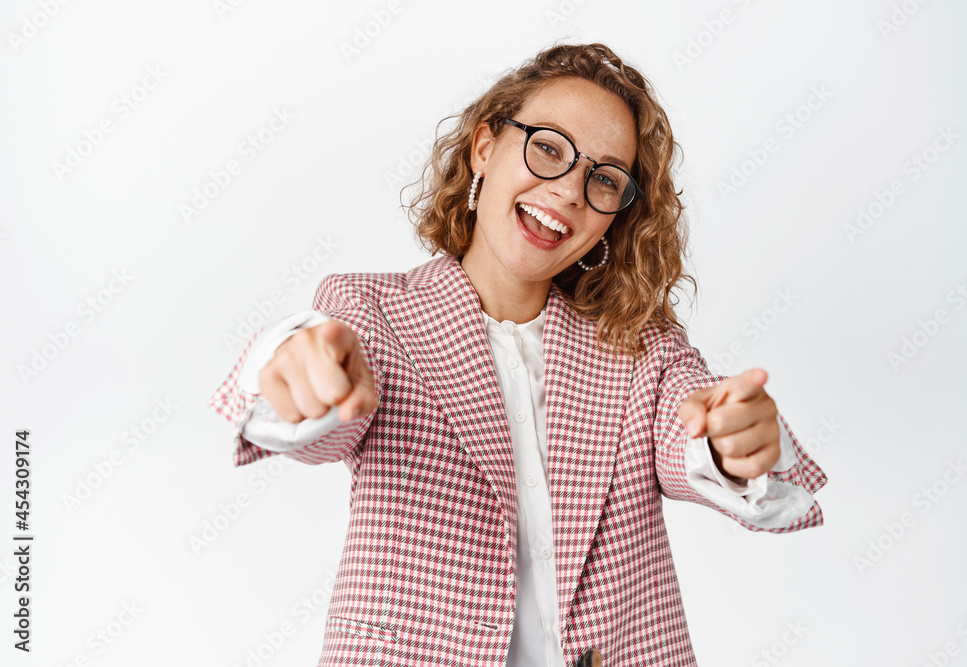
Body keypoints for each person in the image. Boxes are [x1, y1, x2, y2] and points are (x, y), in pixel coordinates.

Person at [208, 42, 827, 667]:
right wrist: (296, 374)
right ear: (484, 147)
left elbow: (693, 435)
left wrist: (733, 442)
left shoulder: (644, 349)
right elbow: (318, 410)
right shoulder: (374, 313)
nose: (569, 191)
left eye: (605, 179)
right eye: (549, 148)